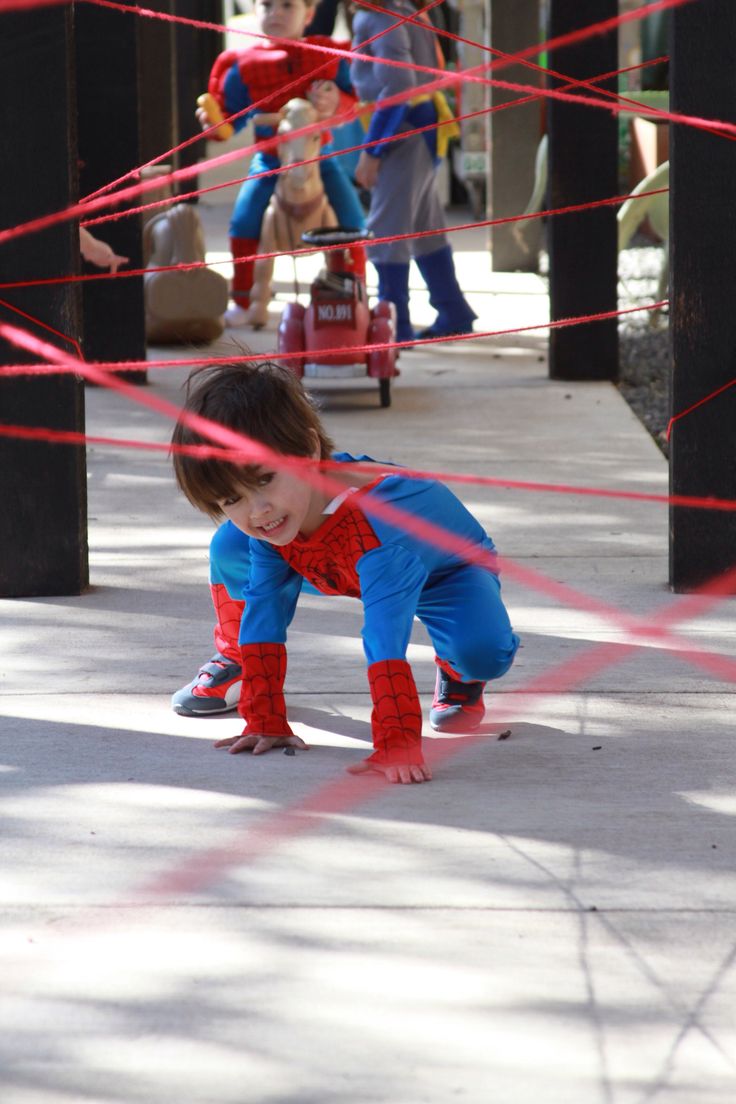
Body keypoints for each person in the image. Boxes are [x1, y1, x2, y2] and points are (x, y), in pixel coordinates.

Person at [171, 362, 519, 785]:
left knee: (485, 653)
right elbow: (265, 608)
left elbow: (384, 640)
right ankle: (234, 656)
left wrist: (397, 745)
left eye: (265, 478)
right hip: (336, 562)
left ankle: (459, 669)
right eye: (231, 498)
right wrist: (264, 720)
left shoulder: (380, 527)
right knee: (229, 545)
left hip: (443, 573)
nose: (256, 510)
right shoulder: (275, 518)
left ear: (309, 451)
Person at [197, 0, 366, 327]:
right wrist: (214, 124)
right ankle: (244, 299)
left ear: (309, 14)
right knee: (244, 220)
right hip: (271, 159)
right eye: (266, 4)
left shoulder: (327, 56)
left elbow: (355, 100)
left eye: (287, 5)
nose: (275, 13)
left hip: (319, 158)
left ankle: (356, 292)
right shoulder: (244, 64)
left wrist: (335, 102)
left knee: (352, 219)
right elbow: (228, 121)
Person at [349, 0, 477, 341]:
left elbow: (398, 86)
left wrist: (373, 150)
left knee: (386, 232)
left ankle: (393, 326)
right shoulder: (402, 9)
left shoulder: (379, 16)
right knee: (423, 226)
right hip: (419, 129)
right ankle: (453, 310)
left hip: (402, 133)